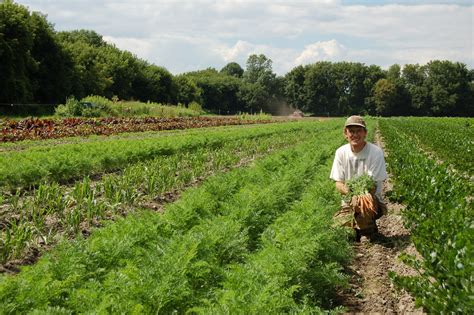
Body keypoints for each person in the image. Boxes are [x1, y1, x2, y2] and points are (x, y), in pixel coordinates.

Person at [330, 115, 387, 241]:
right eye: (351, 131)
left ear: (365, 133)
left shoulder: (375, 152)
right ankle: (356, 226)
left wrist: (360, 198)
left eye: (358, 131)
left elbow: (372, 185)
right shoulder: (341, 152)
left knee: (363, 206)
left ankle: (367, 231)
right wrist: (350, 194)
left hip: (371, 201)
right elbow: (338, 183)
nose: (355, 134)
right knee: (340, 229)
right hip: (349, 201)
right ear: (345, 133)